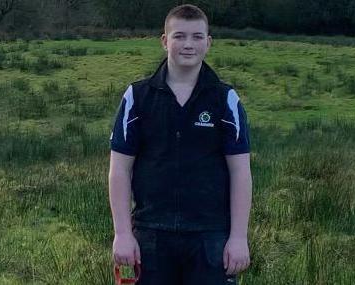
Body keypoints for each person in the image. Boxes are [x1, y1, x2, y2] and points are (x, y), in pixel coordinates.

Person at [108, 4, 252, 285]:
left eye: (197, 37)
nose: (188, 44)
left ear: (208, 43)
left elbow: (241, 172)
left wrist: (238, 237)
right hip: (151, 234)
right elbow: (119, 170)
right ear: (165, 41)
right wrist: (123, 234)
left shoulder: (226, 100)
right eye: (179, 36)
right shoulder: (137, 97)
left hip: (210, 237)